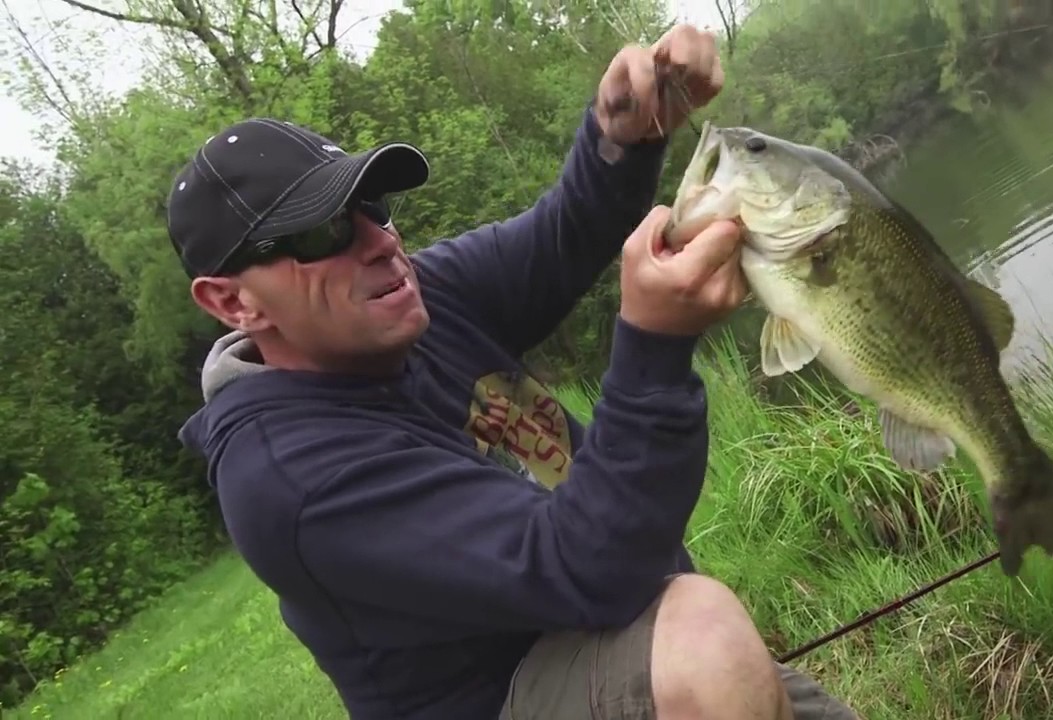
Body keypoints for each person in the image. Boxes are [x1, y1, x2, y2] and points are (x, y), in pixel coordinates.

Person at [168, 23, 859, 720]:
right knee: (703, 639)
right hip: (515, 692)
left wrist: (623, 135)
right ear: (232, 302)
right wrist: (655, 345)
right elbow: (588, 567)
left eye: (371, 208)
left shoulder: (412, 300)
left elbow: (564, 236)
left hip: (616, 634)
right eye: (325, 232)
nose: (381, 242)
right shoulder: (293, 479)